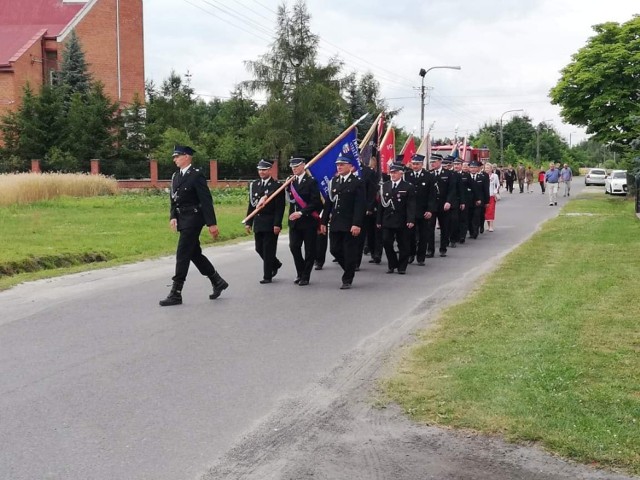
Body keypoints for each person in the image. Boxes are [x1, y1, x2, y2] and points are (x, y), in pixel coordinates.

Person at [159, 145, 228, 306]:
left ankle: (176, 292)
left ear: (187, 157)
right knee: (194, 253)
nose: (174, 159)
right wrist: (172, 216)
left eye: (177, 156)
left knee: (182, 253)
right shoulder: (176, 176)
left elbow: (206, 200)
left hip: (194, 218)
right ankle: (217, 280)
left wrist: (212, 223)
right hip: (182, 218)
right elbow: (173, 199)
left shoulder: (196, 175)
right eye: (174, 157)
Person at [320, 153, 366, 289]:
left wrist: (356, 223)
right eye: (338, 165)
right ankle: (349, 268)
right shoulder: (333, 182)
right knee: (334, 249)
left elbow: (360, 205)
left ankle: (347, 278)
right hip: (335, 222)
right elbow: (329, 203)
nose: (339, 167)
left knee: (349, 250)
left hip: (349, 222)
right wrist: (323, 222)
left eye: (342, 164)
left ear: (351, 167)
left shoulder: (357, 182)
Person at [245, 159, 285, 284]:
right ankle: (275, 263)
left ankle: (267, 276)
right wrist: (248, 221)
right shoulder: (255, 185)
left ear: (270, 170)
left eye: (264, 169)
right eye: (260, 169)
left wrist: (277, 224)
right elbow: (252, 205)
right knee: (258, 248)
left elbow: (280, 207)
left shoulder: (277, 186)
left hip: (270, 222)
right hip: (259, 221)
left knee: (268, 249)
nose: (261, 172)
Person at [286, 157, 322, 286]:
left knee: (309, 250)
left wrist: (301, 212)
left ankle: (306, 276)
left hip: (308, 221)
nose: (294, 168)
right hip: (294, 222)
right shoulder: (290, 181)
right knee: (294, 247)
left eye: (296, 166)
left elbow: (315, 202)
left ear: (303, 166)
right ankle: (300, 272)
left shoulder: (311, 182)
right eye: (292, 167)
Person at [377, 163, 416, 274]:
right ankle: (392, 263)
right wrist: (379, 220)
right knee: (386, 241)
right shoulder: (385, 186)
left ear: (401, 173)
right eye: (391, 172)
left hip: (402, 219)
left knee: (403, 244)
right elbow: (381, 205)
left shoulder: (408, 186)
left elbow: (411, 205)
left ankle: (402, 266)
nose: (392, 175)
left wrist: (410, 219)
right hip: (388, 219)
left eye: (395, 172)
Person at [404, 154, 437, 265]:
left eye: (417, 164)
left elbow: (432, 195)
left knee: (423, 235)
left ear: (422, 164)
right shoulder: (406, 176)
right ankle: (411, 254)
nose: (415, 166)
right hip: (410, 211)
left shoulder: (429, 176)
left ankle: (421, 257)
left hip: (423, 211)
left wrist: (430, 210)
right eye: (413, 164)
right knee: (410, 235)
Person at [427, 154, 456, 257]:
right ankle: (430, 250)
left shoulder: (448, 174)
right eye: (431, 162)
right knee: (430, 228)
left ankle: (443, 248)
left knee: (444, 227)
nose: (432, 164)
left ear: (440, 161)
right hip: (432, 205)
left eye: (434, 162)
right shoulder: (429, 174)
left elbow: (452, 190)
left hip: (444, 204)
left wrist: (448, 201)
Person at [468, 161, 487, 239]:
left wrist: (486, 201)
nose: (473, 169)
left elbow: (485, 190)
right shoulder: (466, 177)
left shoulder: (482, 177)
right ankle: (471, 231)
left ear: (478, 168)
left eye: (474, 167)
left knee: (476, 216)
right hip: (469, 201)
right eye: (471, 167)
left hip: (479, 201)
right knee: (469, 217)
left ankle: (475, 232)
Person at [484, 162, 501, 232]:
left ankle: (491, 226)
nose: (487, 169)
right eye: (486, 168)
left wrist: (495, 192)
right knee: (486, 211)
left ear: (491, 169)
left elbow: (498, 185)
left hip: (491, 195)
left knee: (491, 210)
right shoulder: (483, 175)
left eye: (488, 168)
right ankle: (488, 226)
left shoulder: (495, 176)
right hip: (485, 195)